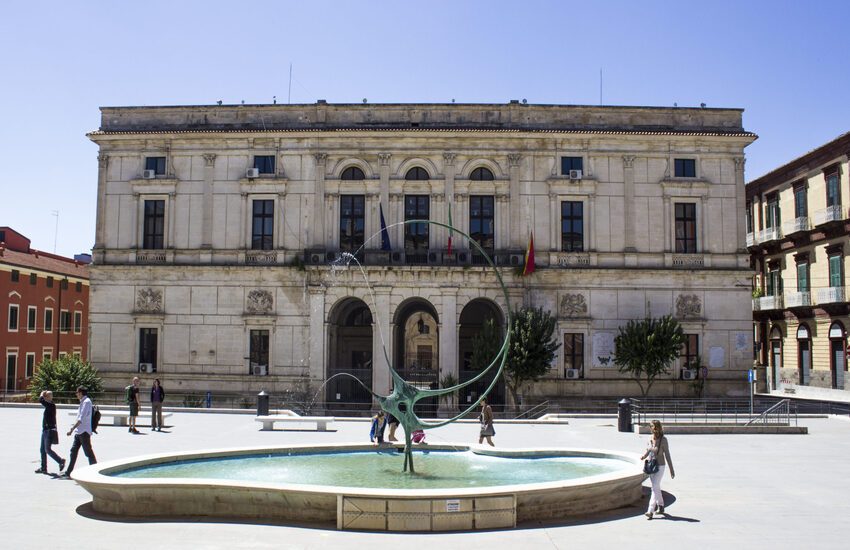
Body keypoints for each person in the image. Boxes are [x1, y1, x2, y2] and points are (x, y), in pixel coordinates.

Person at [640, 419, 675, 519]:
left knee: (654, 487)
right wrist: (643, 456)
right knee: (656, 487)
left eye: (651, 427)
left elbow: (667, 455)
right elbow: (648, 450)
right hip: (651, 466)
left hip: (660, 466)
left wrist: (671, 469)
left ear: (655, 428)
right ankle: (661, 505)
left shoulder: (663, 440)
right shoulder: (650, 438)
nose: (650, 428)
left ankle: (650, 510)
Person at [62, 386, 97, 478]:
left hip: (84, 432)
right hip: (79, 432)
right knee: (73, 451)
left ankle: (96, 471)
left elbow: (81, 418)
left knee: (88, 453)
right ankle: (68, 472)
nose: (76, 394)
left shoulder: (86, 402)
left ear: (81, 393)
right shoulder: (84, 402)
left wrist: (71, 429)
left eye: (77, 392)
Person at [35, 390, 65, 474]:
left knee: (47, 449)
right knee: (42, 450)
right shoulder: (49, 406)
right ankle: (43, 468)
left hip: (49, 431)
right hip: (45, 430)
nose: (44, 398)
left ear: (48, 397)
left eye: (45, 396)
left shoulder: (51, 405)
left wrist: (41, 394)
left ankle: (60, 461)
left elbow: (41, 400)